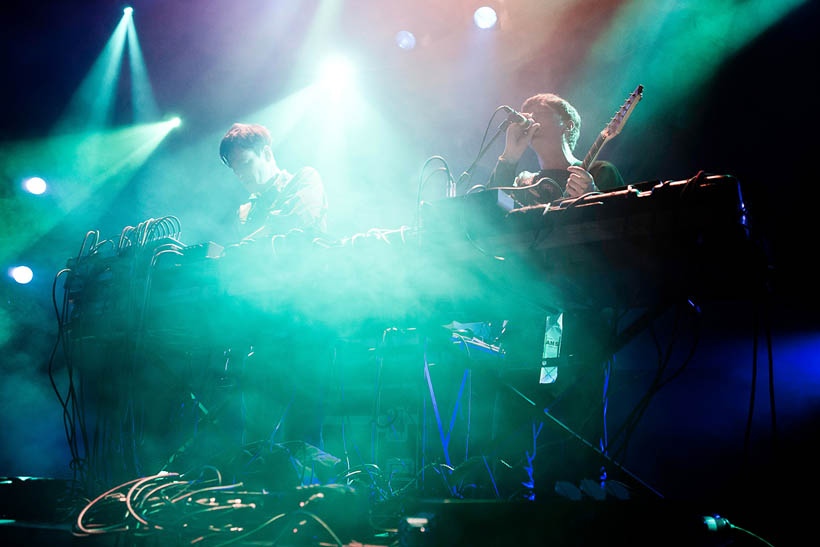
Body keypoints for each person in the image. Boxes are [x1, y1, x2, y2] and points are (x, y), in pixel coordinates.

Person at [488, 93, 624, 204]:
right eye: (527, 116)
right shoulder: (524, 183)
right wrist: (509, 157)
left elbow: (626, 224)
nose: (530, 120)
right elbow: (493, 211)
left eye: (539, 112)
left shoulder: (599, 172)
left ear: (568, 125)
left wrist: (592, 195)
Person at [219, 123, 327, 239]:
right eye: (235, 169)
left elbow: (294, 224)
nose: (239, 174)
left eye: (245, 164)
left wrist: (245, 243)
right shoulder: (244, 214)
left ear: (267, 154)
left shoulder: (305, 179)